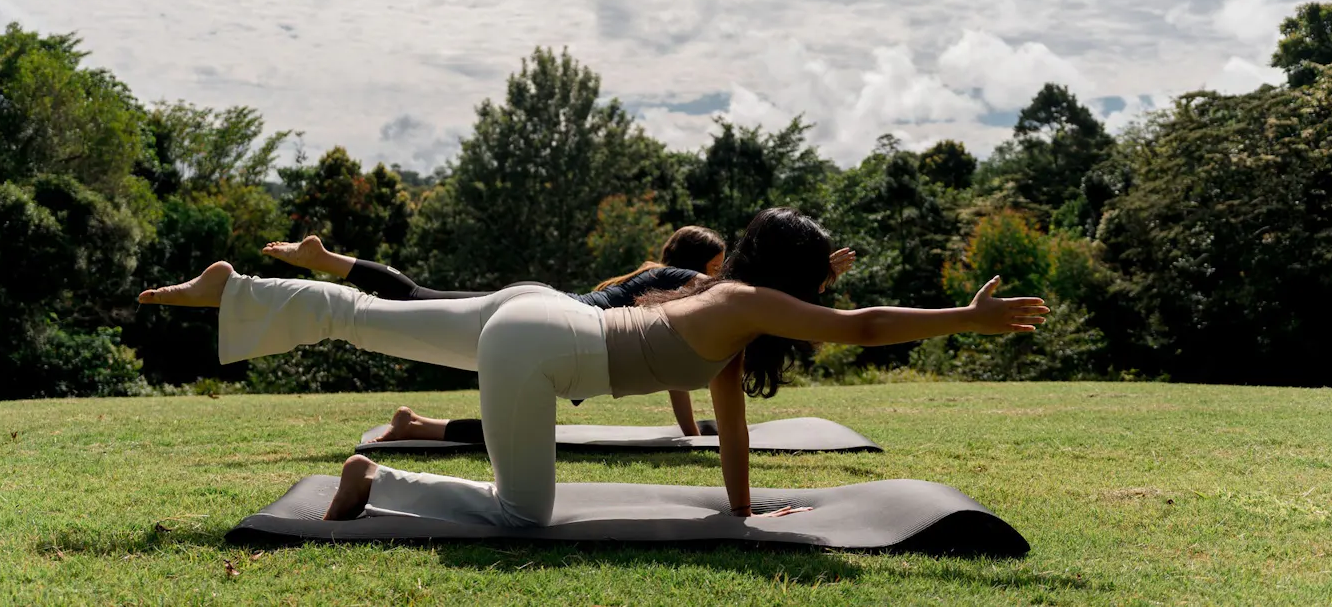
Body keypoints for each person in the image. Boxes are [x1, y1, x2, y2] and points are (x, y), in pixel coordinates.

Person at [139, 207, 1047, 527]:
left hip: (540, 314)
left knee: (373, 317)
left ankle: (238, 289)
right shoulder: (741, 306)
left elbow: (733, 440)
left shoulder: (723, 315)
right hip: (542, 344)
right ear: (791, 285)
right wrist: (966, 316)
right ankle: (376, 477)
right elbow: (860, 326)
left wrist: (746, 511)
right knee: (522, 515)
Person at [259, 227, 856, 440]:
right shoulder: (695, 288)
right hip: (557, 322)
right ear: (708, 263)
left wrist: (818, 278)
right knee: (413, 300)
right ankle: (332, 265)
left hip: (549, 312)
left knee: (418, 303)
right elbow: (762, 303)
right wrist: (816, 279)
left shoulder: (665, 280)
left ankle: (417, 425)